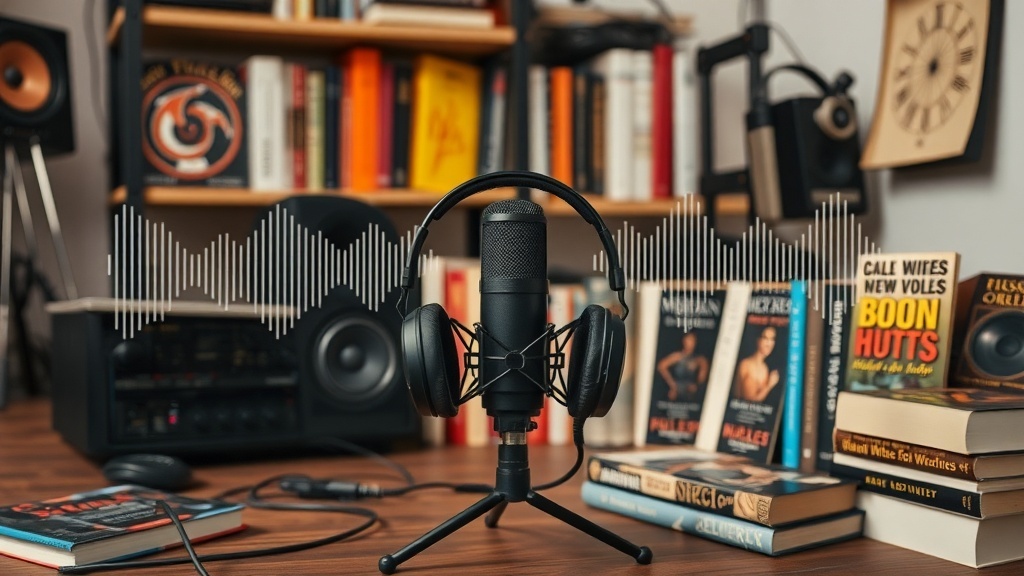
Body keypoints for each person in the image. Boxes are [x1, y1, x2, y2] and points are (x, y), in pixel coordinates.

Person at [656, 332, 709, 402]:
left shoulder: (700, 359)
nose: (691, 344)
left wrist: (697, 385)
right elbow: (661, 366)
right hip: (676, 389)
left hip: (690, 391)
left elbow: (702, 378)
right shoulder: (677, 356)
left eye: (693, 341)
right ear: (684, 341)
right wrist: (672, 385)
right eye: (689, 340)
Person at [732, 326, 780, 402]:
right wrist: (769, 386)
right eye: (765, 338)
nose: (769, 343)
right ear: (758, 340)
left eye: (772, 339)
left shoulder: (765, 369)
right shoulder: (745, 364)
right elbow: (750, 401)